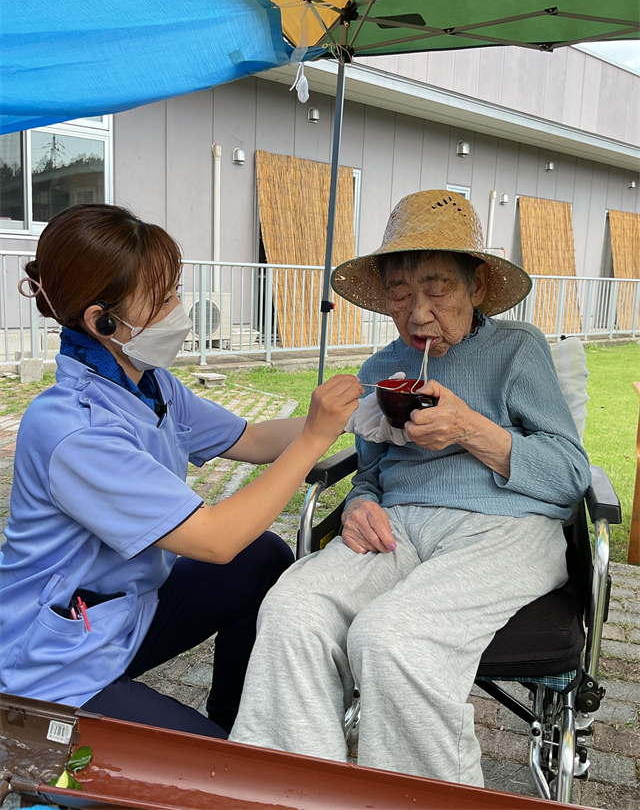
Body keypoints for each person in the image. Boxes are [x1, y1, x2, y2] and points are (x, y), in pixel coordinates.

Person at [229, 190, 591, 785]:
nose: (417, 311)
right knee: (292, 610)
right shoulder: (381, 370)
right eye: (399, 293)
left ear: (476, 287)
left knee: (391, 638)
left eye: (436, 288)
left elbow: (569, 473)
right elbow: (369, 471)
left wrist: (471, 428)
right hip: (399, 529)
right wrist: (361, 504)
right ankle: (300, 795)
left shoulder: (517, 350)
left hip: (505, 529)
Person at [0, 203, 362, 739]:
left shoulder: (149, 384)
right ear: (103, 321)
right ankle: (29, 740)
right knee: (219, 783)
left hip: (127, 614)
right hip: (54, 666)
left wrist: (362, 413)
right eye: (162, 298)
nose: (178, 308)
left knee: (263, 558)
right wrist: (314, 438)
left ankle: (239, 724)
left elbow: (253, 439)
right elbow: (215, 539)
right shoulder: (75, 430)